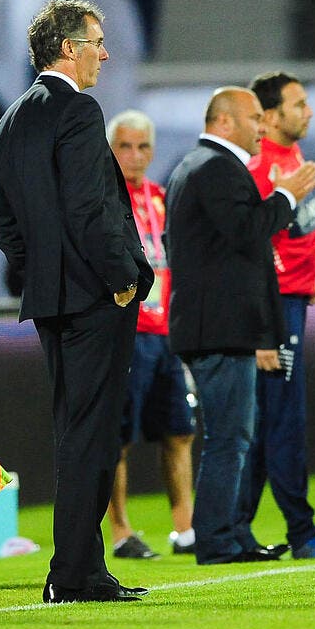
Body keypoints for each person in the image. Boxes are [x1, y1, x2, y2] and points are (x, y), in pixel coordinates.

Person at [0, 0, 153, 603]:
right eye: (96, 43)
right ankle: (75, 574)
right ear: (68, 49)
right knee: (95, 433)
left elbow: (5, 222)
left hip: (53, 299)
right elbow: (90, 207)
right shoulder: (78, 110)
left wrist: (43, 276)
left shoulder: (9, 121)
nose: (105, 54)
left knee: (76, 431)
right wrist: (120, 278)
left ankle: (80, 568)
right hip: (93, 298)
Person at [164, 87, 315, 566]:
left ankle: (232, 535)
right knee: (229, 439)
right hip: (218, 328)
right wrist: (286, 196)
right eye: (254, 118)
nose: (262, 126)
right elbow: (248, 232)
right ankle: (216, 541)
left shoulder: (199, 167)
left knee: (235, 437)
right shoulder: (214, 167)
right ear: (225, 121)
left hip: (218, 325)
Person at [241, 72, 315, 560]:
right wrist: (274, 308)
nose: (309, 112)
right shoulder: (264, 166)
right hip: (276, 307)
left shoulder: (291, 158)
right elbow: (253, 241)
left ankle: (230, 526)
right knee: (284, 420)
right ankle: (302, 532)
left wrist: (308, 279)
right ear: (271, 116)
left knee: (264, 421)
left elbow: (293, 233)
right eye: (298, 104)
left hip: (292, 298)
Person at [104, 109, 196, 560]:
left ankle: (185, 528)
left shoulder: (160, 199)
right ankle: (120, 531)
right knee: (115, 438)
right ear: (110, 150)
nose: (134, 156)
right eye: (124, 146)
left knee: (179, 431)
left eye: (143, 147)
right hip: (125, 332)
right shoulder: (102, 202)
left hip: (166, 333)